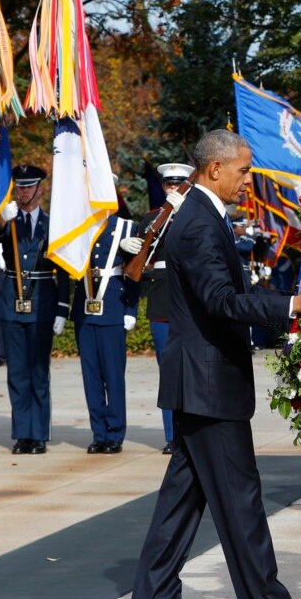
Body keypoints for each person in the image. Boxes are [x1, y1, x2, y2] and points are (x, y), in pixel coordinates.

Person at [128, 130, 301, 599]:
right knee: (241, 499)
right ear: (215, 169)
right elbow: (222, 301)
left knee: (183, 499)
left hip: (203, 381)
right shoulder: (199, 224)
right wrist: (295, 305)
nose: (249, 180)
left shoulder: (201, 217)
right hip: (207, 382)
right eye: (244, 170)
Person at [0, 165, 70, 455]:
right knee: (17, 373)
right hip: (11, 302)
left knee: (38, 372)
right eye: (20, 186)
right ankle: (22, 434)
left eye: (29, 186)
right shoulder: (7, 222)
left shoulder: (53, 223)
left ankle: (39, 434)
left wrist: (62, 308)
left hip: (43, 301)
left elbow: (64, 268)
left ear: (40, 189)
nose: (24, 191)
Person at [120, 162, 193, 454]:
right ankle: (172, 436)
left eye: (178, 183)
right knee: (168, 372)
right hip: (162, 303)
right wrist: (128, 251)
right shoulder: (151, 218)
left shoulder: (196, 216)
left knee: (193, 370)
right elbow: (139, 269)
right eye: (168, 184)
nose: (172, 188)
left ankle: (193, 434)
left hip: (189, 302)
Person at [71, 212, 139, 454]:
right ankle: (98, 434)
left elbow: (134, 269)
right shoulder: (78, 223)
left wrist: (131, 308)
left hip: (112, 306)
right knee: (91, 377)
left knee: (113, 375)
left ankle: (115, 433)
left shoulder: (125, 226)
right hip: (85, 307)